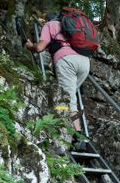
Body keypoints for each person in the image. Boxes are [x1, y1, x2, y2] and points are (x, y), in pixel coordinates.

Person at [25, 11, 89, 151]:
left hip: (66, 60)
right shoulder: (73, 25)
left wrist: (30, 46)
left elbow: (40, 47)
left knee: (70, 101)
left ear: (48, 19)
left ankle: (78, 137)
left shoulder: (50, 24)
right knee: (72, 99)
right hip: (84, 62)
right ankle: (76, 130)